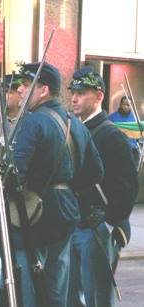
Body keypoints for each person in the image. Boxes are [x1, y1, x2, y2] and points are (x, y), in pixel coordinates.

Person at [7, 62, 104, 306]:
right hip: (67, 209)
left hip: (33, 213)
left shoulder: (32, 122)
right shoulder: (77, 125)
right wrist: (67, 186)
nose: (20, 90)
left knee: (29, 288)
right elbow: (96, 172)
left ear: (43, 91)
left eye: (27, 85)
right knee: (56, 288)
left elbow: (15, 173)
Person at [67, 66, 139, 307]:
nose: (74, 98)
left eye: (82, 93)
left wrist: (108, 223)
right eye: (73, 92)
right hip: (73, 223)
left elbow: (127, 186)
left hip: (96, 227)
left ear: (98, 96)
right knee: (71, 297)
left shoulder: (111, 135)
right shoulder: (74, 129)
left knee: (97, 296)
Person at [108, 95, 139, 162]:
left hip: (132, 150)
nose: (126, 107)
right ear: (120, 104)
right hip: (117, 150)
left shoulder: (135, 118)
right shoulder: (111, 117)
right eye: (124, 104)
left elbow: (139, 136)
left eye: (128, 105)